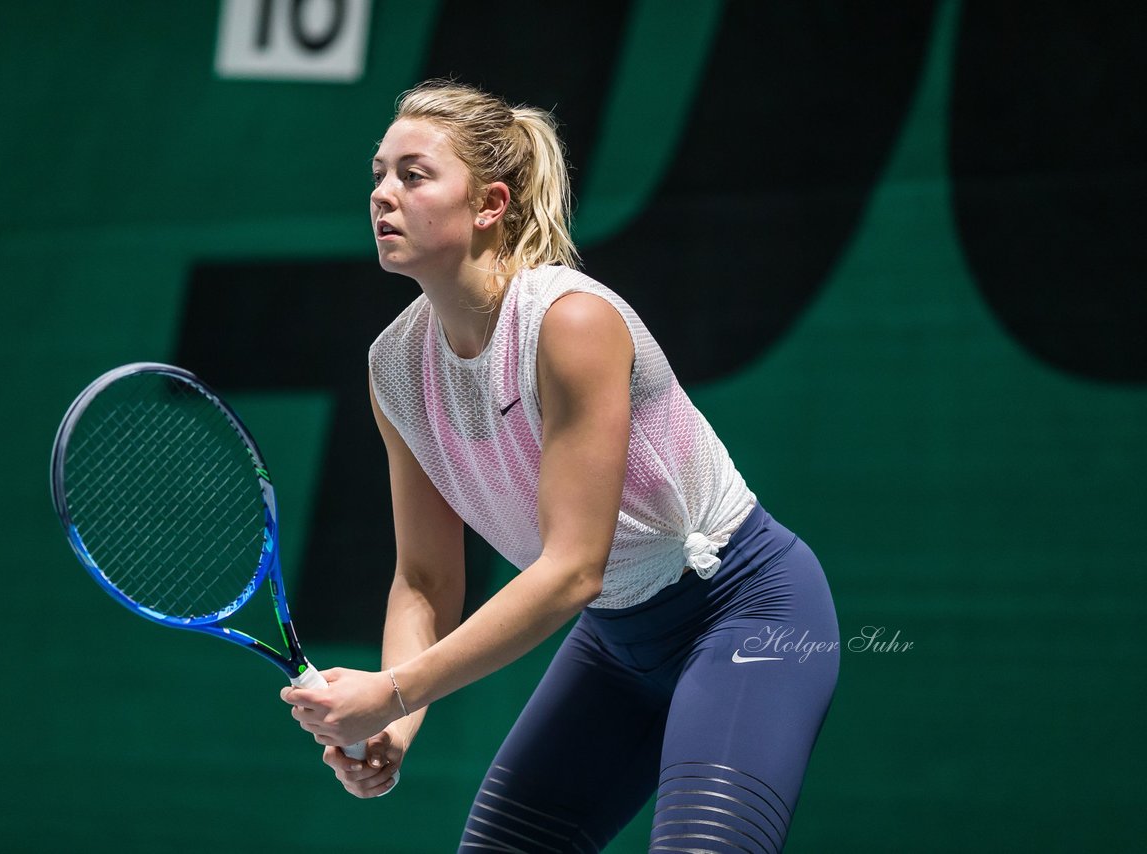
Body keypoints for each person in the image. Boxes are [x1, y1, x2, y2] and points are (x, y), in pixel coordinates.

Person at [283, 80, 840, 852]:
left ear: (490, 204)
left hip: (747, 614)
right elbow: (426, 581)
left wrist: (394, 690)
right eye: (378, 173)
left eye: (413, 175)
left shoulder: (570, 321)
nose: (383, 195)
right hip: (616, 648)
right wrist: (397, 726)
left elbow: (574, 568)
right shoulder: (396, 368)